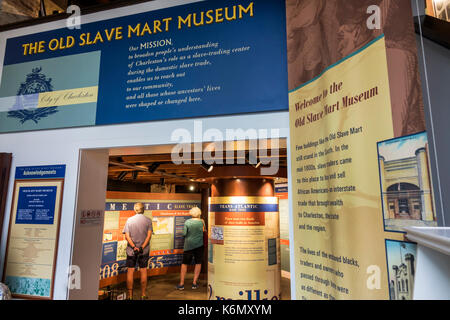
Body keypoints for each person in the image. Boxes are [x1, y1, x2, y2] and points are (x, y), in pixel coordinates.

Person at [123, 202, 153, 300]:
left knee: (130, 271)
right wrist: (141, 247)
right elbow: (149, 236)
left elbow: (127, 236)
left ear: (135, 210)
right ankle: (143, 294)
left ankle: (130, 296)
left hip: (131, 251)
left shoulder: (129, 220)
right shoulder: (148, 220)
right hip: (144, 251)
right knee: (143, 271)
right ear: (143, 209)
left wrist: (134, 247)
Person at [176, 207, 205, 290]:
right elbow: (204, 231)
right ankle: (194, 283)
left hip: (188, 245)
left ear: (191, 213)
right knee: (198, 263)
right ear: (199, 213)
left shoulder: (187, 222)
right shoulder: (202, 222)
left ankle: (181, 284)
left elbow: (184, 233)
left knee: (184, 263)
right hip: (199, 245)